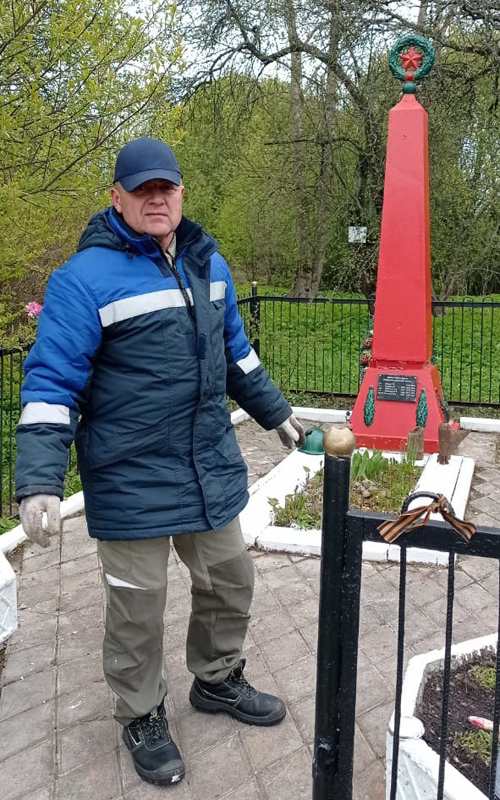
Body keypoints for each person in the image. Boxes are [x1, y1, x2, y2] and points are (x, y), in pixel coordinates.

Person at [15, 137, 306, 787]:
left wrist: (277, 415)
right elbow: (51, 384)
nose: (156, 199)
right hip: (130, 476)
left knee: (231, 580)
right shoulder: (82, 280)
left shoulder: (210, 264)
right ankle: (141, 713)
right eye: (141, 189)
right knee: (137, 609)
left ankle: (218, 678)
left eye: (165, 188)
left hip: (208, 466)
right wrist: (38, 481)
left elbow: (237, 356)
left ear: (181, 194)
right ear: (116, 198)